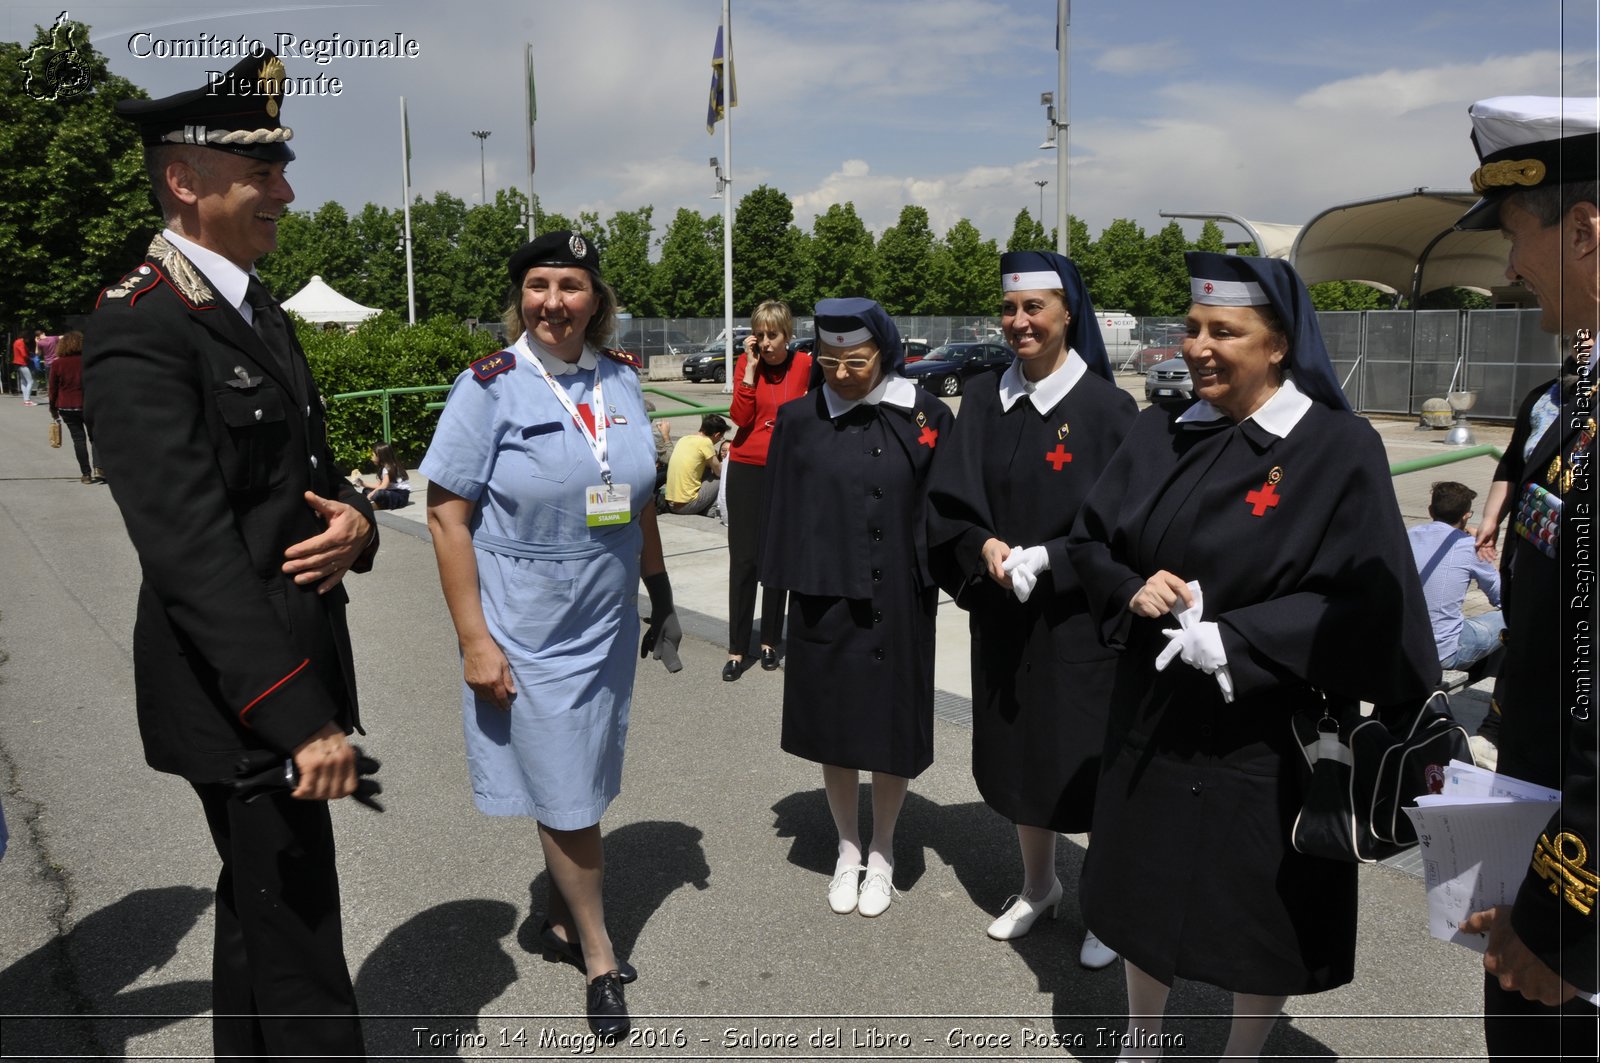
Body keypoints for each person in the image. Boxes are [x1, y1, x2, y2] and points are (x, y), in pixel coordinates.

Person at [1066, 252, 1439, 1059]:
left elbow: (1373, 606)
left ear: (1277, 345)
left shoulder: (1338, 447)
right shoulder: (1159, 428)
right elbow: (1091, 540)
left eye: (1223, 331)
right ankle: (1142, 1034)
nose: (1198, 345)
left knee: (1257, 908)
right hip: (1156, 718)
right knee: (1143, 884)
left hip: (1271, 737)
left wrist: (1238, 638)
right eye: (1193, 327)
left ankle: (1243, 1049)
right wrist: (1131, 586)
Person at [82, 52, 378, 1059]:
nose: (285, 191)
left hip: (284, 672)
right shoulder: (142, 324)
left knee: (263, 923)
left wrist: (358, 526)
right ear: (186, 180)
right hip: (244, 697)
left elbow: (309, 480)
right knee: (301, 947)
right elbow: (190, 551)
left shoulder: (257, 308)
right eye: (262, 173)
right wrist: (300, 720)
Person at [421, 230, 682, 1041]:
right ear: (520, 296)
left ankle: (564, 918)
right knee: (570, 788)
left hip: (605, 620)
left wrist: (662, 594)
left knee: (582, 772)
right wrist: (474, 639)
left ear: (596, 299)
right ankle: (601, 956)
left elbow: (636, 499)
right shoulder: (488, 385)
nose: (554, 302)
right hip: (528, 624)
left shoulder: (621, 382)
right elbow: (445, 514)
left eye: (571, 285)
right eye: (539, 285)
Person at [927, 250, 1136, 965]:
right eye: (1010, 309)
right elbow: (950, 499)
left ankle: (1109, 904)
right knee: (1022, 758)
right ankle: (1039, 884)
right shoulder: (984, 396)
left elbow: (1123, 525)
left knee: (1089, 760)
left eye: (1034, 308)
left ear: (1067, 311)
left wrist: (1049, 557)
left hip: (1079, 623)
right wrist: (982, 543)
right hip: (1006, 617)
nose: (1019, 322)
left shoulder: (1110, 409)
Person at [1451, 95, 1599, 1061]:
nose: (1506, 268)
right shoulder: (1572, 399)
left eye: (1515, 236)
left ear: (1585, 231)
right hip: (1542, 831)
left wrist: (1569, 925)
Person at [761, 297, 953, 918]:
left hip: (900, 597)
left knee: (891, 730)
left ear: (886, 351)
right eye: (831, 359)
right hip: (825, 595)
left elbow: (947, 506)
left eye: (858, 359)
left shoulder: (922, 414)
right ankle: (847, 849)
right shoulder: (797, 420)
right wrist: (773, 613)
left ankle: (885, 848)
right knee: (838, 731)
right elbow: (780, 515)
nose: (843, 372)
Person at [723, 301, 811, 680]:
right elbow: (740, 419)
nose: (766, 342)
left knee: (778, 560)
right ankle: (737, 649)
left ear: (787, 335)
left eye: (772, 335)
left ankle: (770, 641)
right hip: (747, 469)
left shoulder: (805, 365)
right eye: (759, 335)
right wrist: (750, 372)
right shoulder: (748, 366)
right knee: (744, 562)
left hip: (788, 472)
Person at [1408, 481, 1504, 669]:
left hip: (1403, 646)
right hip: (1442, 652)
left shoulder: (1409, 535)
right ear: (1466, 515)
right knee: (1512, 615)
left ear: (1430, 510)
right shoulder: (1470, 546)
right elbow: (1500, 597)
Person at [46, 331, 104, 484]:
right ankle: (100, 467)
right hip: (89, 404)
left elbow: (53, 388)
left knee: (78, 440)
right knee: (95, 437)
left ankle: (86, 474)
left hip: (66, 406)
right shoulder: (88, 362)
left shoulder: (58, 363)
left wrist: (53, 408)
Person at [663, 413, 727, 516]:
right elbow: (719, 472)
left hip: (671, 504)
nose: (720, 440)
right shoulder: (706, 442)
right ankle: (710, 511)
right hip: (687, 506)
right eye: (721, 438)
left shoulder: (684, 439)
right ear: (717, 435)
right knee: (724, 476)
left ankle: (704, 508)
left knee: (705, 469)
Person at [351, 442, 410, 510]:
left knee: (379, 493)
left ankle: (373, 506)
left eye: (373, 455)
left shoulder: (388, 468)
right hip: (391, 492)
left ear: (380, 456)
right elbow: (379, 485)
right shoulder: (383, 468)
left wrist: (372, 493)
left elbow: (384, 486)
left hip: (400, 496)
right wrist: (362, 483)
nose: (371, 457)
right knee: (366, 490)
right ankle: (372, 503)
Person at [13, 332, 36, 404]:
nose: (29, 341)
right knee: (30, 381)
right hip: (22, 363)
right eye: (28, 339)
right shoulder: (21, 342)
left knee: (23, 381)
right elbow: (23, 354)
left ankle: (26, 399)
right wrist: (30, 358)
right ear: (26, 337)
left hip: (17, 363)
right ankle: (27, 400)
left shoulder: (16, 341)